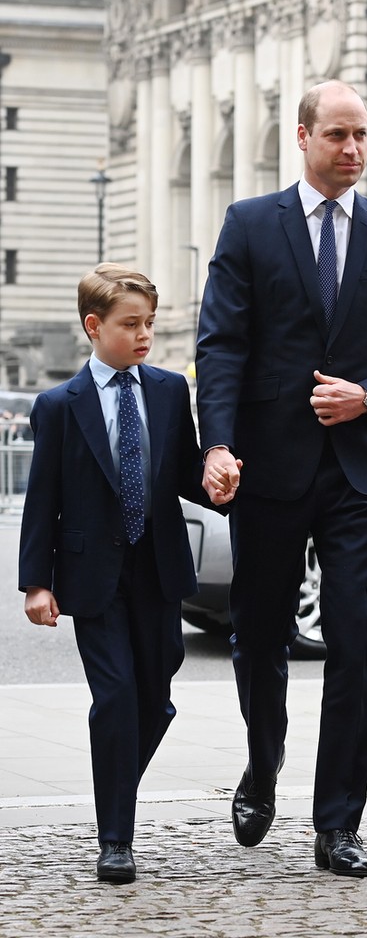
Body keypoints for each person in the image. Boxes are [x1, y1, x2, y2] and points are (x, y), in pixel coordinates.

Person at [195, 79, 367, 877]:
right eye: (338, 135)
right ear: (301, 136)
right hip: (267, 468)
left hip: (357, 475)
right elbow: (221, 346)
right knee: (259, 636)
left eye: (362, 135)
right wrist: (219, 445)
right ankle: (263, 769)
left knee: (355, 646)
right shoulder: (248, 225)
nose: (354, 150)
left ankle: (338, 823)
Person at [18, 263, 229, 884]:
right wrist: (37, 581)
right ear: (94, 326)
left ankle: (114, 786)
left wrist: (217, 481)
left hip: (158, 567)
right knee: (114, 699)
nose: (145, 336)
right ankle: (117, 838)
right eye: (130, 325)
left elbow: (183, 473)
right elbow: (42, 498)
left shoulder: (167, 390)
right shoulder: (59, 406)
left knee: (155, 701)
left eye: (150, 324)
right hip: (91, 576)